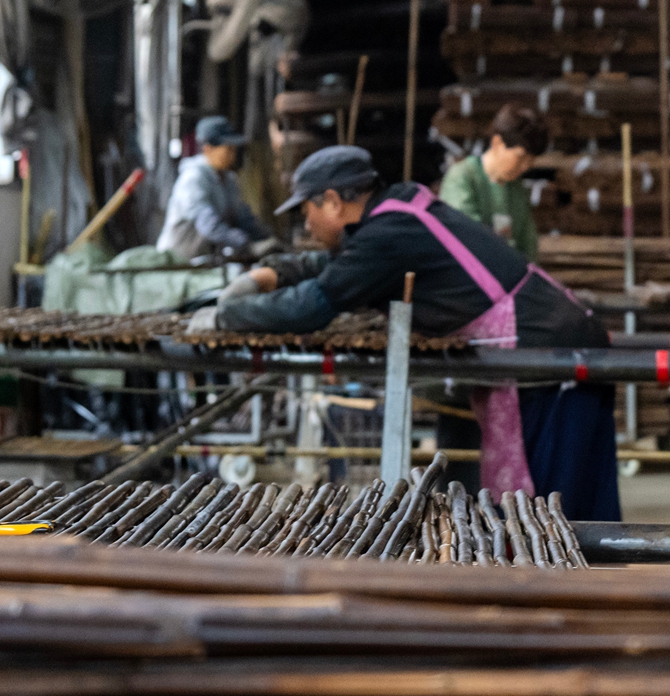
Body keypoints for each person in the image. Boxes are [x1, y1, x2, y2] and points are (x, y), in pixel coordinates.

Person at [189, 145, 619, 521]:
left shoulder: (386, 236)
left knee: (549, 510)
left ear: (333, 202)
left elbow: (314, 306)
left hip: (546, 356)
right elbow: (342, 268)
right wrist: (270, 275)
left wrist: (226, 318)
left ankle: (552, 588)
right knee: (577, 501)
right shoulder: (399, 209)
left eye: (307, 211)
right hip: (560, 339)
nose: (307, 224)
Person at [157, 116, 273, 261]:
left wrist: (265, 238)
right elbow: (208, 224)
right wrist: (247, 244)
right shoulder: (193, 178)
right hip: (176, 262)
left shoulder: (229, 179)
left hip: (203, 261)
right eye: (228, 149)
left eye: (234, 149)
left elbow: (241, 216)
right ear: (208, 149)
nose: (232, 155)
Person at [440, 103, 548, 259]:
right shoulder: (462, 177)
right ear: (497, 142)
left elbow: (528, 246)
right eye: (520, 157)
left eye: (530, 161)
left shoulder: (516, 189)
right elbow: (467, 237)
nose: (525, 166)